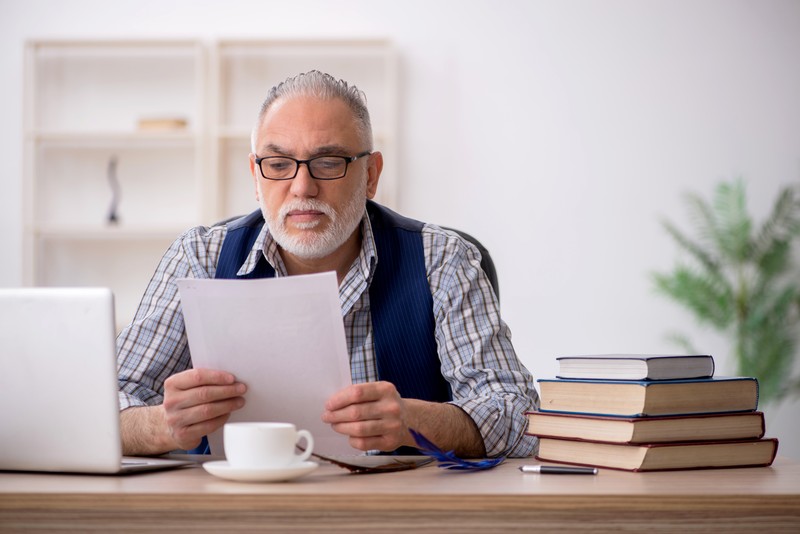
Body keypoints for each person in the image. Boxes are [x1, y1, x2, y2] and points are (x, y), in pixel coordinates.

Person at [117, 71, 538, 459]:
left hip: (400, 513)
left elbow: (521, 417)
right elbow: (108, 403)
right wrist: (162, 426)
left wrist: (415, 423)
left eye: (329, 163)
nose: (303, 187)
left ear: (371, 174)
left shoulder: (442, 259)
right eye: (279, 165)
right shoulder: (199, 259)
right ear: (255, 175)